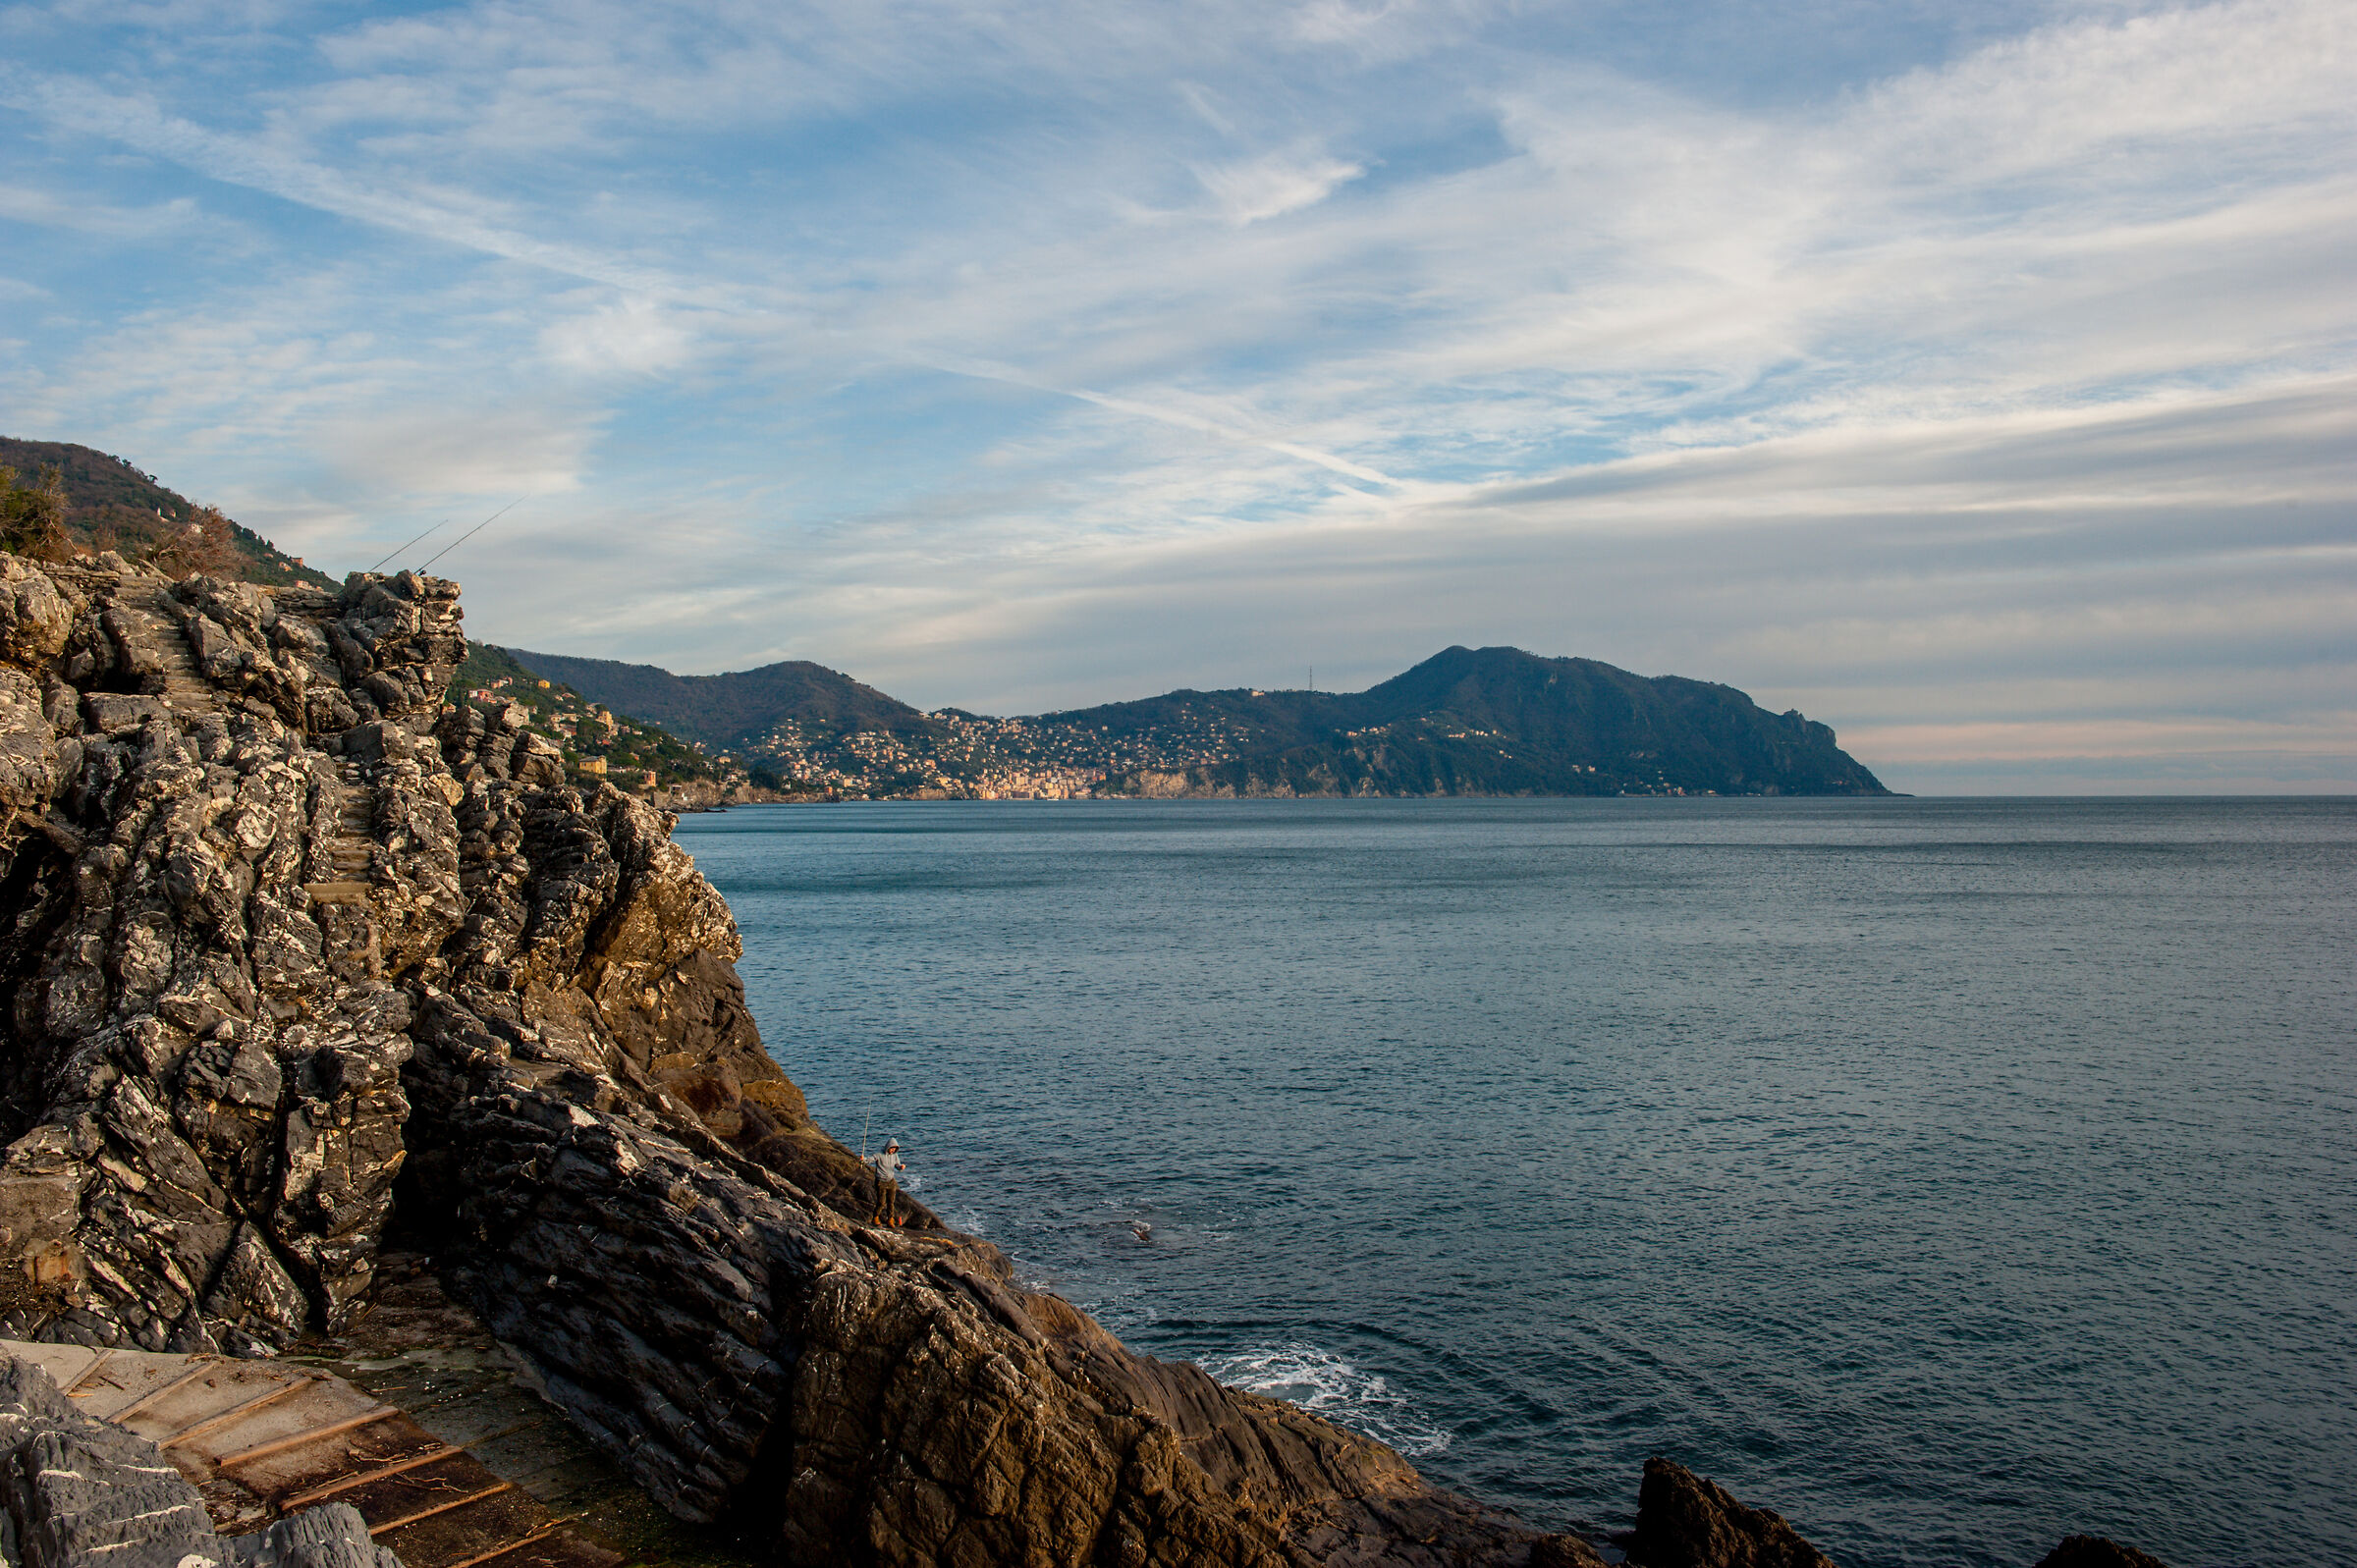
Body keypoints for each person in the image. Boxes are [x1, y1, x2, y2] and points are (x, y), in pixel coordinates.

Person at [867, 1138, 906, 1226]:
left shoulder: (895, 1156)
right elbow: (871, 1159)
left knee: (891, 1202)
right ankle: (876, 1217)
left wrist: (901, 1167)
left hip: (891, 1181)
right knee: (881, 1202)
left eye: (895, 1149)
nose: (893, 1150)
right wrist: (863, 1159)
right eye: (892, 1148)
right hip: (881, 1181)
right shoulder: (879, 1154)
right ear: (888, 1147)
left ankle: (890, 1219)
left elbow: (897, 1165)